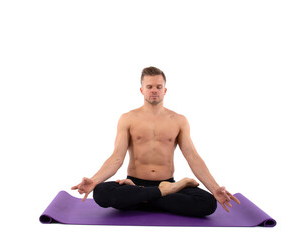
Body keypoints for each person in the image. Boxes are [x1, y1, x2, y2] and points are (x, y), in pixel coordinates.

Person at [72, 66, 240, 217]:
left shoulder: (179, 120)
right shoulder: (128, 119)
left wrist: (214, 188)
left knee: (208, 203)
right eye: (149, 87)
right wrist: (94, 181)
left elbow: (193, 158)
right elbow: (116, 158)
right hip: (134, 184)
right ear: (141, 90)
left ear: (165, 90)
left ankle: (143, 198)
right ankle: (162, 193)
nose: (154, 90)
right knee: (100, 192)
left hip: (158, 185)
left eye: (158, 87)